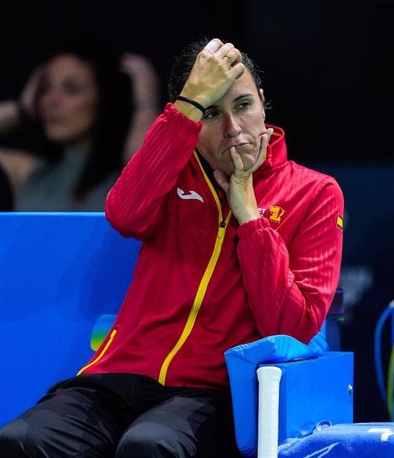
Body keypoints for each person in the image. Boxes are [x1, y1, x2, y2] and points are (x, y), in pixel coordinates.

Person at [0, 36, 345, 458]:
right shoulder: (171, 170)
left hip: (214, 391)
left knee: (150, 446)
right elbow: (124, 213)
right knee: (20, 440)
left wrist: (251, 218)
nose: (234, 130)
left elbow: (295, 325)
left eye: (243, 105)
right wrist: (187, 105)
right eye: (212, 113)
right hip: (116, 378)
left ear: (263, 102)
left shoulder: (315, 192)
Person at [0, 39, 160, 211]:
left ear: (104, 100)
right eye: (45, 88)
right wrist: (22, 108)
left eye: (71, 89)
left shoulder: (126, 179)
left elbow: (150, 167)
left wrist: (145, 101)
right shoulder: (29, 172)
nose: (52, 101)